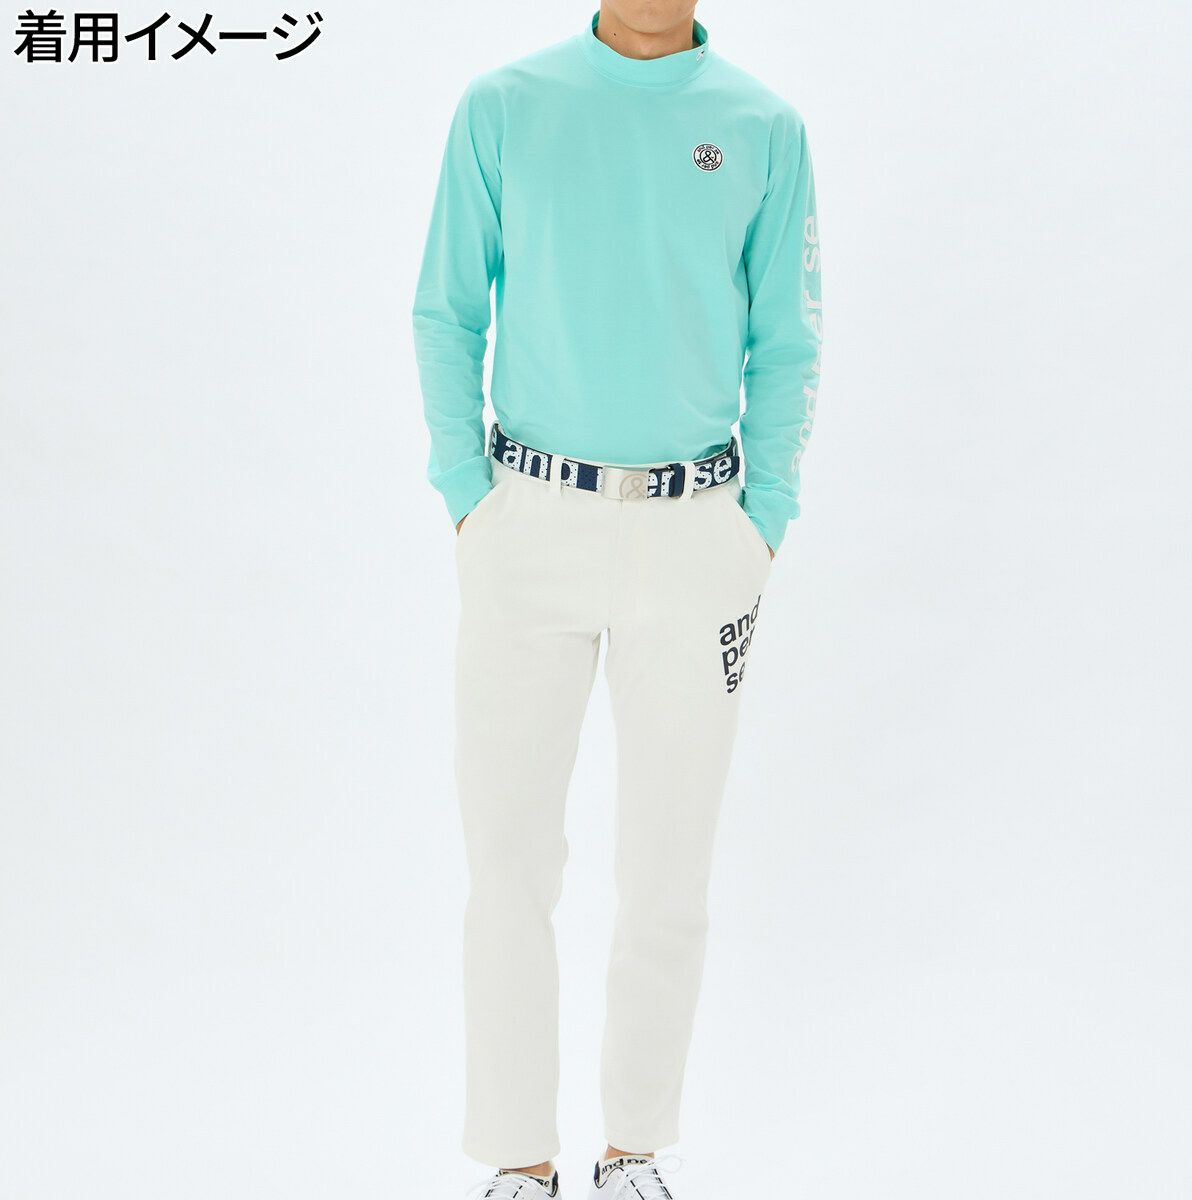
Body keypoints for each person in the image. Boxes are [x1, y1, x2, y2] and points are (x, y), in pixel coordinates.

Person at [411, 3, 822, 1195]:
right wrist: (466, 493)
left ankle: (633, 1150)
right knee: (509, 859)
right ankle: (518, 1159)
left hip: (699, 533)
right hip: (528, 522)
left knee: (668, 870)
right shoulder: (505, 106)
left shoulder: (763, 126)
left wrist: (764, 515)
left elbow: (789, 337)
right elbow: (447, 309)